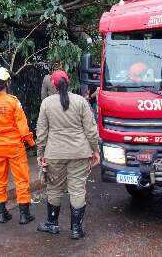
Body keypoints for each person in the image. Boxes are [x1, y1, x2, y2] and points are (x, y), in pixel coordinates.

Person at [36, 70, 100, 239]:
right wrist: (95, 150)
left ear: (54, 85)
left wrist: (40, 153)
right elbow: (91, 130)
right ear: (69, 82)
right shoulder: (80, 101)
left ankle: (52, 224)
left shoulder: (47, 103)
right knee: (77, 189)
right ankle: (76, 229)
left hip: (54, 154)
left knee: (54, 188)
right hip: (79, 153)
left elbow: (41, 132)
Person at [0, 67, 36, 224]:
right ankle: (24, 215)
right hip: (14, 146)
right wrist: (31, 142)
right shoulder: (13, 102)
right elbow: (23, 127)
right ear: (7, 83)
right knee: (21, 179)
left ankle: (2, 214)